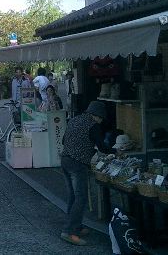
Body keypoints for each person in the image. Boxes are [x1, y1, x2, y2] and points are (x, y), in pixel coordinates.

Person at [59, 101, 118, 246]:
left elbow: (64, 140)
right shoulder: (93, 126)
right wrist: (116, 151)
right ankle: (70, 232)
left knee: (73, 196)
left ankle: (75, 226)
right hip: (77, 164)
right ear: (97, 115)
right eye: (101, 118)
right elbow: (102, 147)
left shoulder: (74, 120)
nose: (101, 121)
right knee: (81, 198)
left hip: (65, 160)